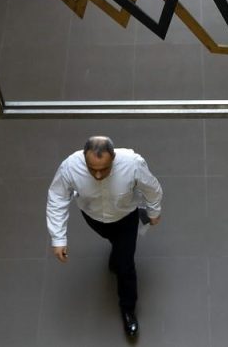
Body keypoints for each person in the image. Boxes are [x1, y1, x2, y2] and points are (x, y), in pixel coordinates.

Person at [46, 136, 163, 338]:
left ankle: (128, 309)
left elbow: (152, 188)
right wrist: (58, 238)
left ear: (114, 158)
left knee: (126, 264)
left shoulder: (132, 164)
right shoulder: (70, 167)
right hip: (94, 218)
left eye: (104, 169)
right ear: (84, 158)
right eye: (92, 169)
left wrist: (154, 212)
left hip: (126, 218)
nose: (98, 175)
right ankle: (116, 256)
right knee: (116, 245)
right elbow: (57, 197)